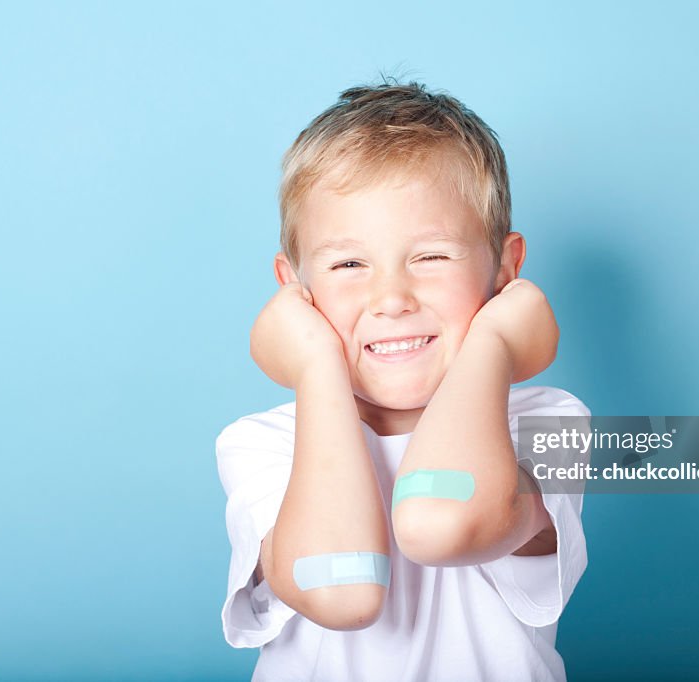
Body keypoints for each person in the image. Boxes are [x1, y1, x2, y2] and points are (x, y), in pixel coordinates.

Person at [216, 80, 590, 681]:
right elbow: (342, 588)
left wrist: (491, 343)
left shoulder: (550, 424)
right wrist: (317, 369)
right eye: (348, 264)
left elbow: (442, 521)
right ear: (296, 291)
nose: (391, 299)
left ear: (505, 269)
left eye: (432, 256)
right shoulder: (260, 443)